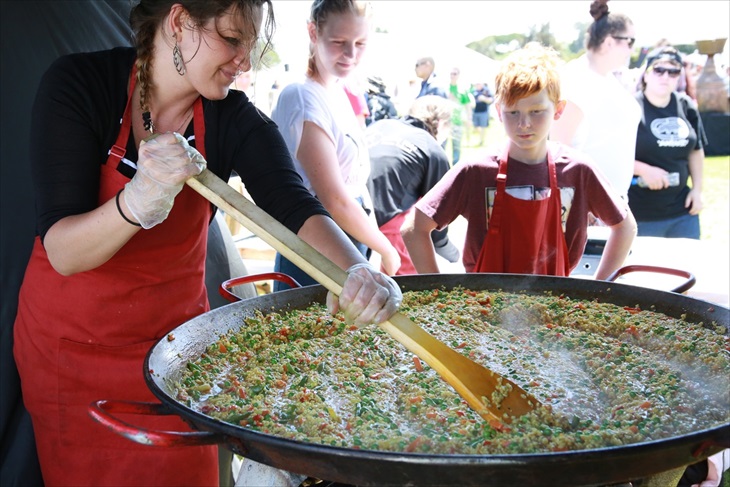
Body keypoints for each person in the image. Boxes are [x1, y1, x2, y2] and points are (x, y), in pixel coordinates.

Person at [11, 1, 402, 486]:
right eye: (233, 39)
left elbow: (296, 208)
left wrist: (357, 271)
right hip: (70, 357)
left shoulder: (233, 119)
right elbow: (64, 252)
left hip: (175, 358)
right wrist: (134, 204)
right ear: (178, 21)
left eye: (251, 46)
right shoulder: (80, 84)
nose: (245, 61)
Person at [401, 43, 636, 279]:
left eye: (536, 111)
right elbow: (414, 229)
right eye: (513, 112)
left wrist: (601, 287)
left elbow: (625, 227)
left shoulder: (579, 170)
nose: (524, 124)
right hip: (483, 306)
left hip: (556, 303)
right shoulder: (476, 170)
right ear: (498, 111)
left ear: (558, 110)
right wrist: (442, 294)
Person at [271, 0, 400, 289]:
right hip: (317, 246)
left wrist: (372, 238)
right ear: (313, 32)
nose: (351, 54)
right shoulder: (302, 97)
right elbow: (334, 199)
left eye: (360, 43)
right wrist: (387, 248)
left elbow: (355, 189)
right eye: (339, 41)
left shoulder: (338, 92)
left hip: (350, 237)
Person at [550, 0, 641, 198]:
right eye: (630, 41)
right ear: (609, 42)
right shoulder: (575, 80)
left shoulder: (606, 77)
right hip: (588, 204)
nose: (632, 50)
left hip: (612, 201)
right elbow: (560, 151)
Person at [365, 95, 457, 275]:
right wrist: (446, 248)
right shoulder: (432, 148)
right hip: (388, 218)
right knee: (409, 287)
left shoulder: (380, 125)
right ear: (440, 124)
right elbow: (436, 212)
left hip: (345, 211)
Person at [629, 46, 707, 239]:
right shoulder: (630, 107)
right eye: (659, 70)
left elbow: (696, 151)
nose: (666, 76)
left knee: (686, 268)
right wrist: (644, 170)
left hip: (683, 213)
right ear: (646, 75)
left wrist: (697, 190)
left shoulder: (686, 106)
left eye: (673, 72)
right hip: (640, 215)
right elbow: (611, 156)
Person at [447, 67, 474, 164]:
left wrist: (469, 119)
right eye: (451, 73)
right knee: (441, 146)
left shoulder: (462, 90)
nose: (452, 76)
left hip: (457, 121)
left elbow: (467, 106)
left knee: (456, 147)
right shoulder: (445, 88)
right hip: (445, 122)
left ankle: (455, 168)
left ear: (458, 75)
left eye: (454, 74)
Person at [471, 81, 494, 146]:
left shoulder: (486, 91)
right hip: (475, 112)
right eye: (476, 84)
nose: (477, 85)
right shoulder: (473, 91)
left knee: (483, 127)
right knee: (475, 127)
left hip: (483, 112)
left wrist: (484, 99)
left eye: (478, 83)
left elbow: (492, 100)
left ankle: (481, 141)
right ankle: (479, 139)